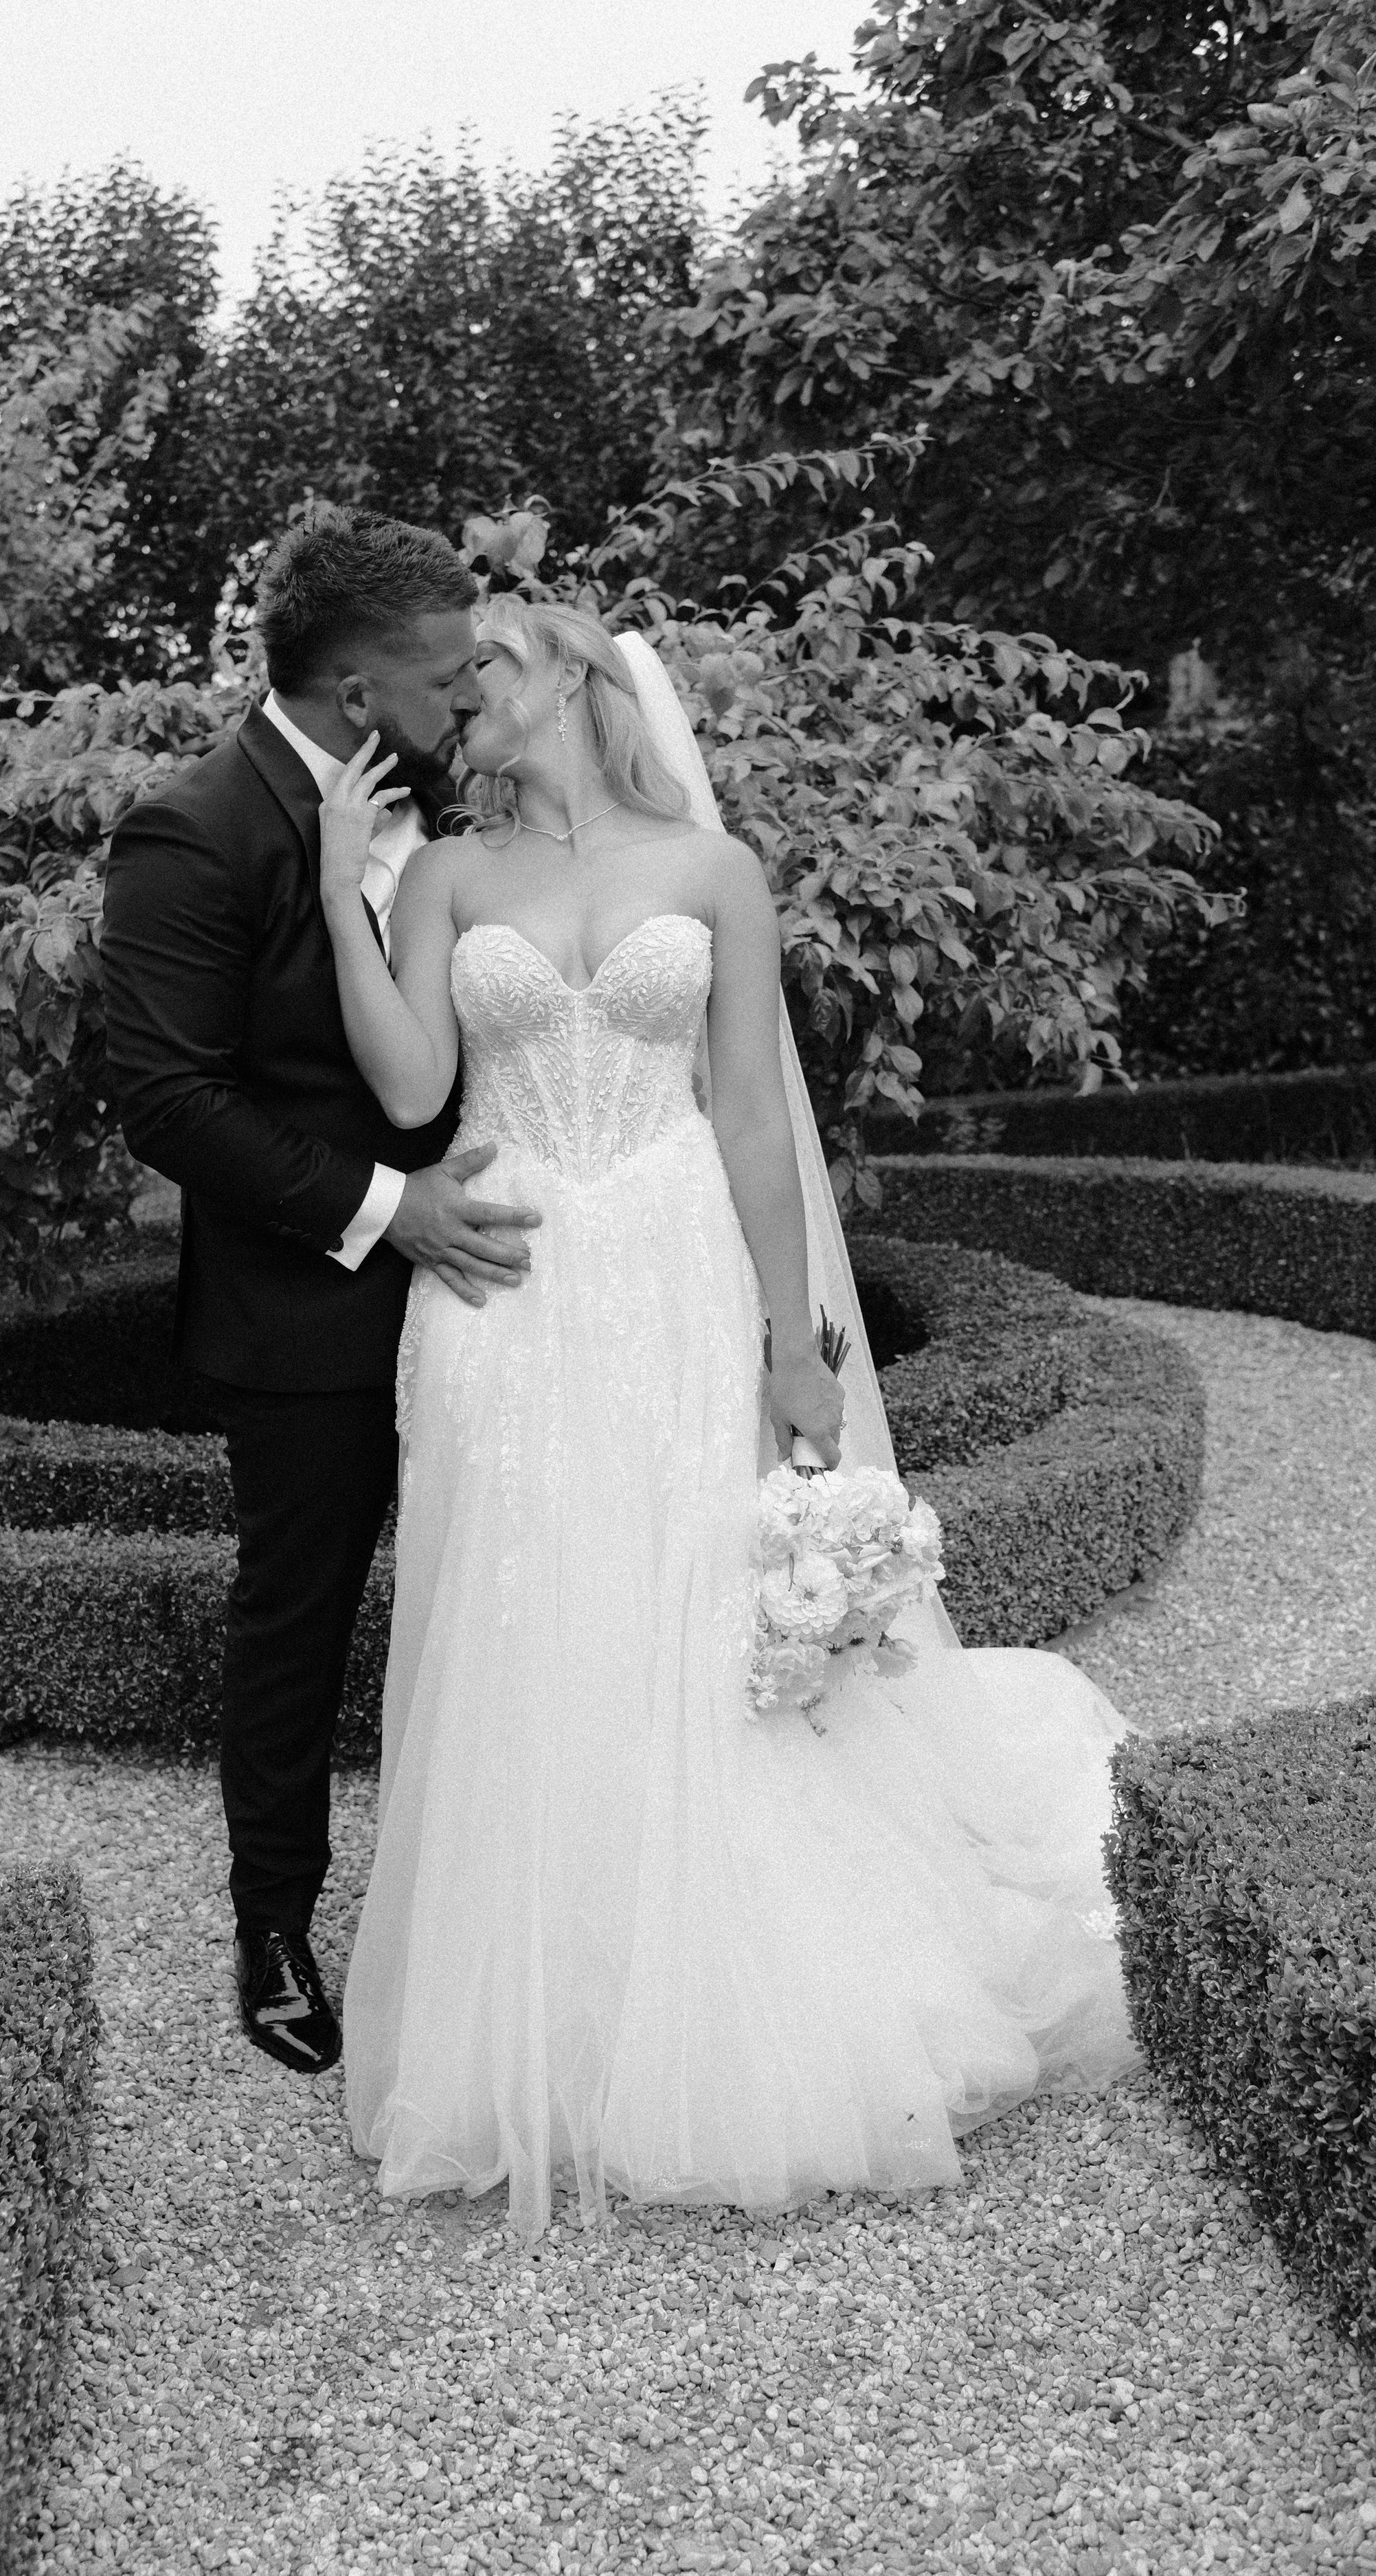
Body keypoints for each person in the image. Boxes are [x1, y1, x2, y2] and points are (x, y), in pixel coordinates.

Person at [320, 594, 1138, 2234]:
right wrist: (353, 890)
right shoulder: (444, 873)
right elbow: (412, 1092)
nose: (456, 693)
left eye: (484, 663)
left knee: (694, 1609)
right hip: (508, 1288)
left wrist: (794, 1345)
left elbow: (754, 1115)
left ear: (570, 681)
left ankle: (727, 2015)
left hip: (678, 1266)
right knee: (525, 1619)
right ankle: (541, 2031)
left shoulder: (709, 873)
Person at [100, 509, 543, 2076]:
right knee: (296, 1617)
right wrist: (383, 1210)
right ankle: (274, 1925)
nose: (472, 694)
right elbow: (166, 1097)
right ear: (361, 694)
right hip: (313, 1306)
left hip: (511, 1285)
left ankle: (522, 1914)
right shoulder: (195, 827)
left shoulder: (467, 804)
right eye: (445, 675)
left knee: (514, 1596)